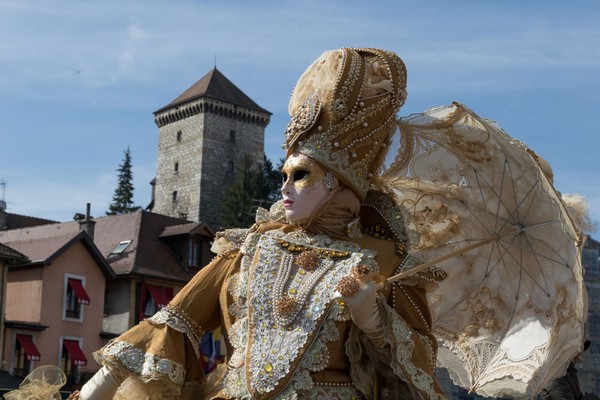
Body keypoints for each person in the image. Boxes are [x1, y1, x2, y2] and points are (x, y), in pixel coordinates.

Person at [69, 47, 447, 399]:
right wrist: (95, 389)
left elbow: (419, 370)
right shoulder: (248, 249)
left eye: (301, 175)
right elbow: (174, 322)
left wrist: (375, 321)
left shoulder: (384, 263)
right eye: (283, 175)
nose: (285, 187)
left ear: (339, 185)